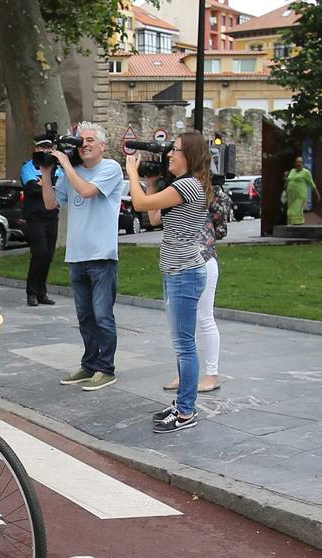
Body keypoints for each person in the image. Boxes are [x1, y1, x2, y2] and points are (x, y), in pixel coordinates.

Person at [127, 130, 214, 433]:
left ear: (190, 155)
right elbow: (153, 218)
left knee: (185, 346)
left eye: (175, 150)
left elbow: (138, 205)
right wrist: (150, 180)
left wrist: (131, 172)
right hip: (176, 272)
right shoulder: (185, 186)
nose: (169, 155)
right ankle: (181, 403)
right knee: (182, 345)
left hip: (184, 274)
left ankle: (186, 412)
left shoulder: (188, 185)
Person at [41, 121, 124, 392]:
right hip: (77, 256)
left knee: (102, 316)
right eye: (81, 140)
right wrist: (45, 171)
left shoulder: (110, 168)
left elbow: (87, 191)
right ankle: (89, 364)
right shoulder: (71, 172)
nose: (85, 144)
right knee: (85, 317)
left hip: (102, 256)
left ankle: (106, 368)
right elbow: (51, 204)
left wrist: (65, 164)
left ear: (102, 145)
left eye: (90, 140)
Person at [159, 179, 233, 394]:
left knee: (204, 318)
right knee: (180, 324)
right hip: (178, 263)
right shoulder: (178, 189)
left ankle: (212, 375)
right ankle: (185, 374)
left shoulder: (206, 191)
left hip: (202, 259)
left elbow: (219, 228)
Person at [20, 139, 59, 307]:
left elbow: (60, 187)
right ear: (36, 148)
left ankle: (42, 292)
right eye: (43, 147)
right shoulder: (28, 166)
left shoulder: (56, 166)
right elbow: (30, 189)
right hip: (34, 216)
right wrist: (46, 186)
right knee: (39, 252)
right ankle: (31, 292)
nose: (46, 150)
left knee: (48, 255)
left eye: (49, 147)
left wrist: (43, 184)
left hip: (51, 215)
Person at [283, 157, 320, 226]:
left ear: (303, 164)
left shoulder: (306, 172)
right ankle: (298, 226)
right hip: (291, 197)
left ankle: (296, 226)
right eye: (297, 162)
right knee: (295, 212)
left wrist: (317, 194)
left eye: (300, 162)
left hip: (300, 196)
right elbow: (288, 180)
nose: (299, 164)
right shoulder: (292, 171)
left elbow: (312, 184)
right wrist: (285, 177)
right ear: (295, 163)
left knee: (294, 212)